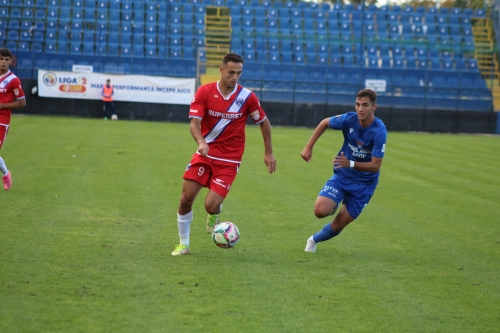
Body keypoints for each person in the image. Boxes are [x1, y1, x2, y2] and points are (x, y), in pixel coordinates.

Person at [171, 53, 277, 256]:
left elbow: (263, 122)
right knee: (185, 199)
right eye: (231, 72)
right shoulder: (205, 92)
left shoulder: (247, 97)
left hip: (229, 160)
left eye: (239, 73)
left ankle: (214, 214)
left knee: (210, 206)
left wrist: (269, 152)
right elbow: (194, 123)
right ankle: (183, 244)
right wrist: (201, 141)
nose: (235, 77)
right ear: (221, 70)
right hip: (206, 153)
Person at [301, 89, 387, 253]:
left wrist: (351, 163)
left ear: (374, 107)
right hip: (343, 176)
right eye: (357, 104)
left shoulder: (379, 131)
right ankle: (333, 204)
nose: (360, 109)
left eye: (365, 105)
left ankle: (313, 240)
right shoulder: (349, 119)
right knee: (320, 211)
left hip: (364, 185)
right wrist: (309, 146)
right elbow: (325, 122)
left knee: (339, 224)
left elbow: (375, 165)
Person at [0, 48, 26, 191]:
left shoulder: (13, 80)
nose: (3, 62)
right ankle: (5, 173)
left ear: (10, 61)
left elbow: (22, 102)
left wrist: (3, 105)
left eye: (6, 59)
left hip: (2, 120)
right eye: (1, 59)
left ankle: (5, 174)